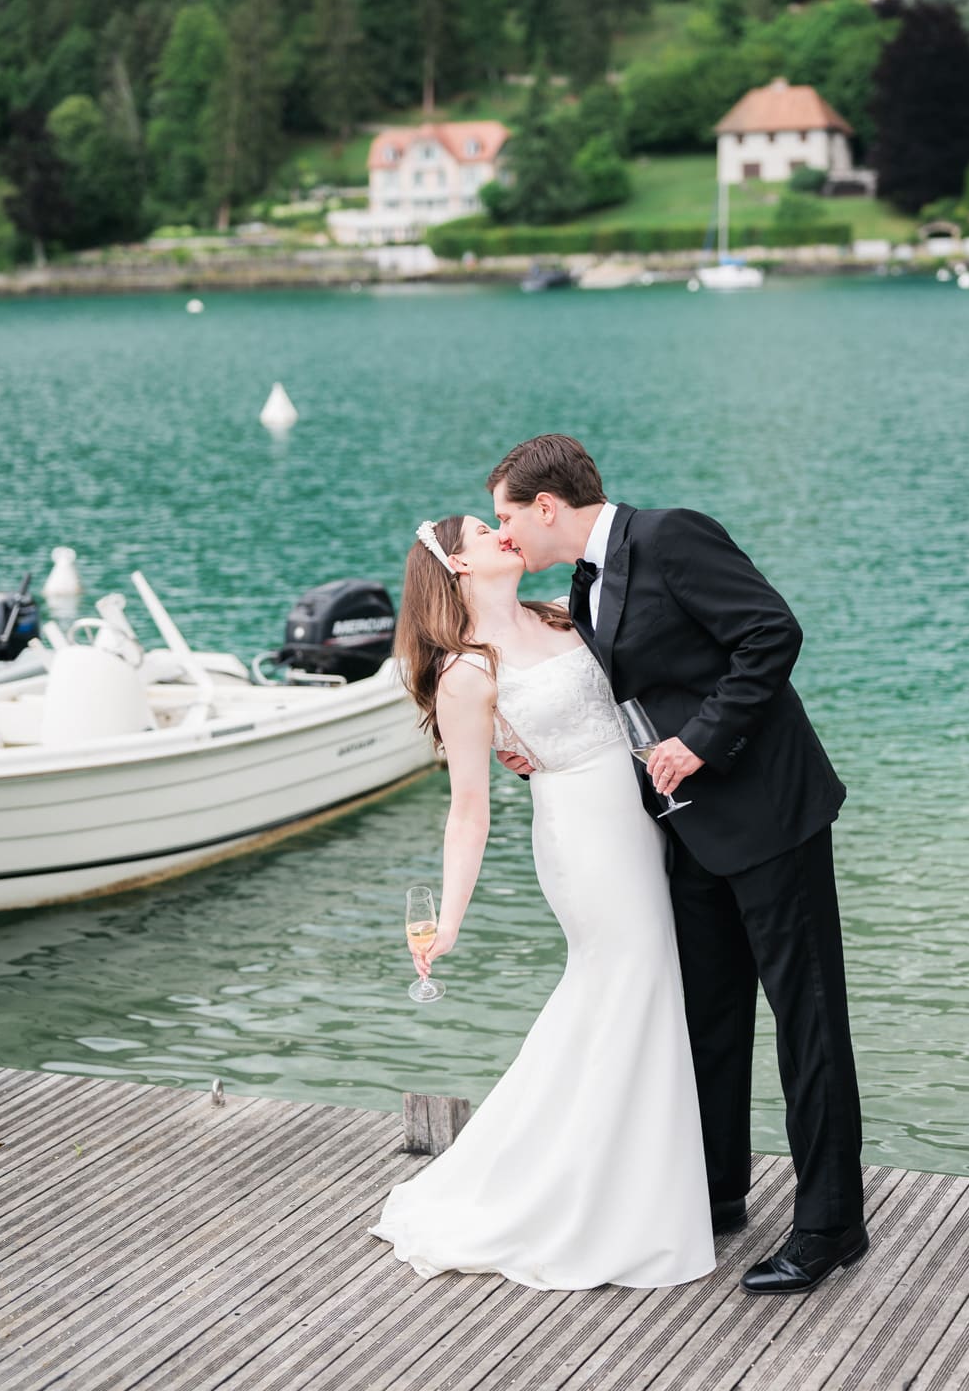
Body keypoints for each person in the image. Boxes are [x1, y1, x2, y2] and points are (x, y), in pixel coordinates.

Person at [487, 435, 867, 1295]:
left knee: (807, 1022)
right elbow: (628, 701)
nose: (505, 532)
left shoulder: (671, 537)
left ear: (548, 506)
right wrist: (541, 755)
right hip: (686, 831)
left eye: (509, 516)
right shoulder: (586, 586)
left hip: (772, 816)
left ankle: (832, 1223)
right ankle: (718, 1190)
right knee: (711, 1017)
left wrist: (701, 741)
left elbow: (772, 634)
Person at [369, 513, 715, 1291]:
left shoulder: (565, 612)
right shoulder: (467, 671)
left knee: (647, 993)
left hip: (643, 819)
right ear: (455, 562)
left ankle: (635, 1184)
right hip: (583, 841)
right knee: (627, 984)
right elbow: (468, 808)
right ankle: (592, 1200)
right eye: (487, 530)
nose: (504, 532)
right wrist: (448, 920)